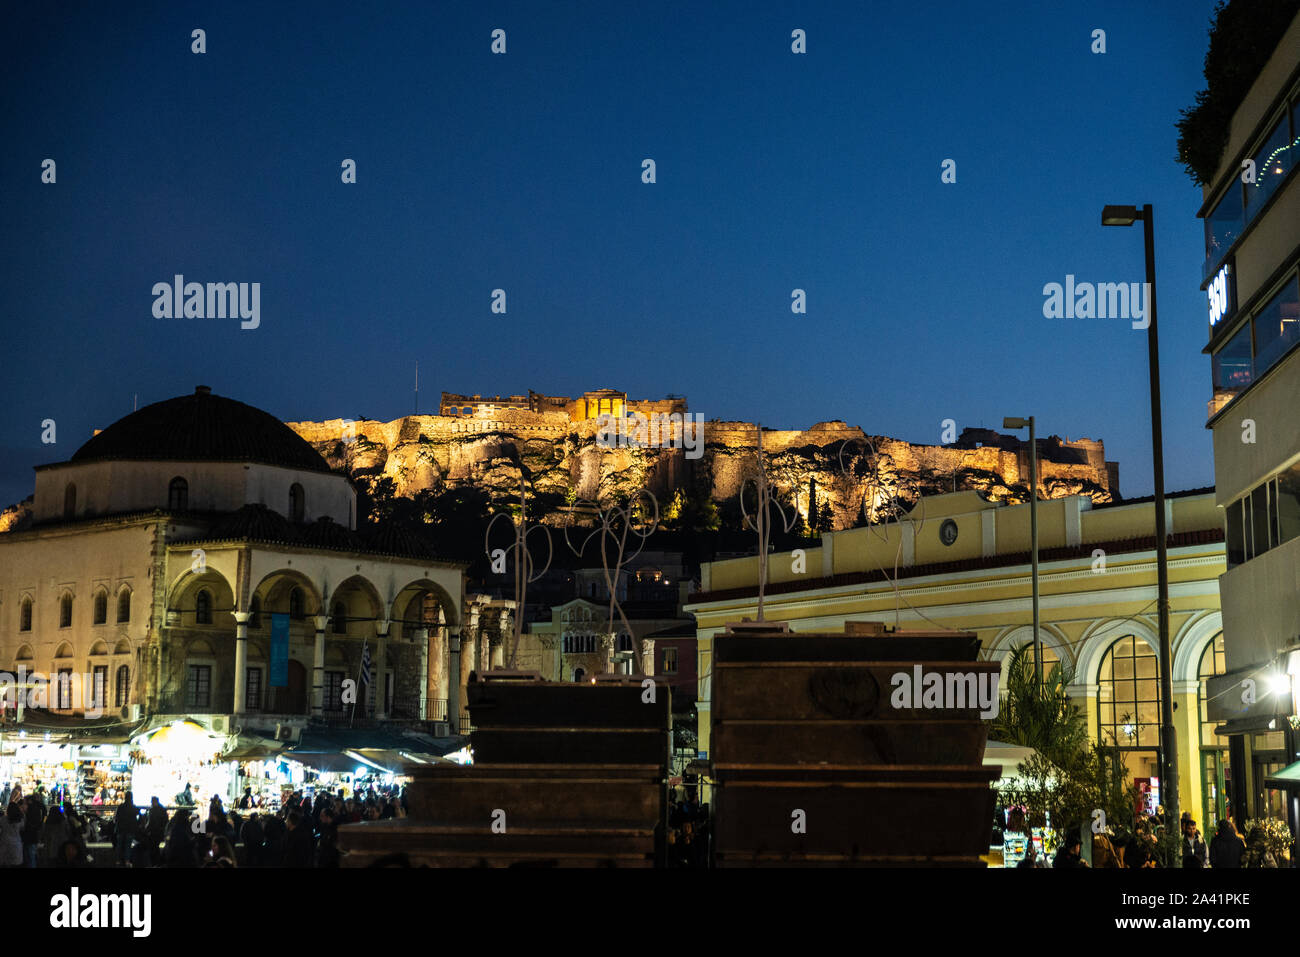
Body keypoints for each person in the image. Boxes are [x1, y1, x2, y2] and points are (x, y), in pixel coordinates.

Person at [113, 792, 140, 867]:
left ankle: (118, 861)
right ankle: (127, 861)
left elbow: (117, 817)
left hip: (121, 829)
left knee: (119, 845)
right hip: (130, 829)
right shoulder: (133, 807)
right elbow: (138, 813)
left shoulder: (121, 806)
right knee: (128, 846)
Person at [22, 790, 46, 868]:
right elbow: (44, 817)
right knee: (31, 853)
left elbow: (28, 823)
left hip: (30, 835)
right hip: (34, 833)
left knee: (30, 854)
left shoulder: (31, 810)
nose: (24, 804)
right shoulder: (40, 806)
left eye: (25, 802)